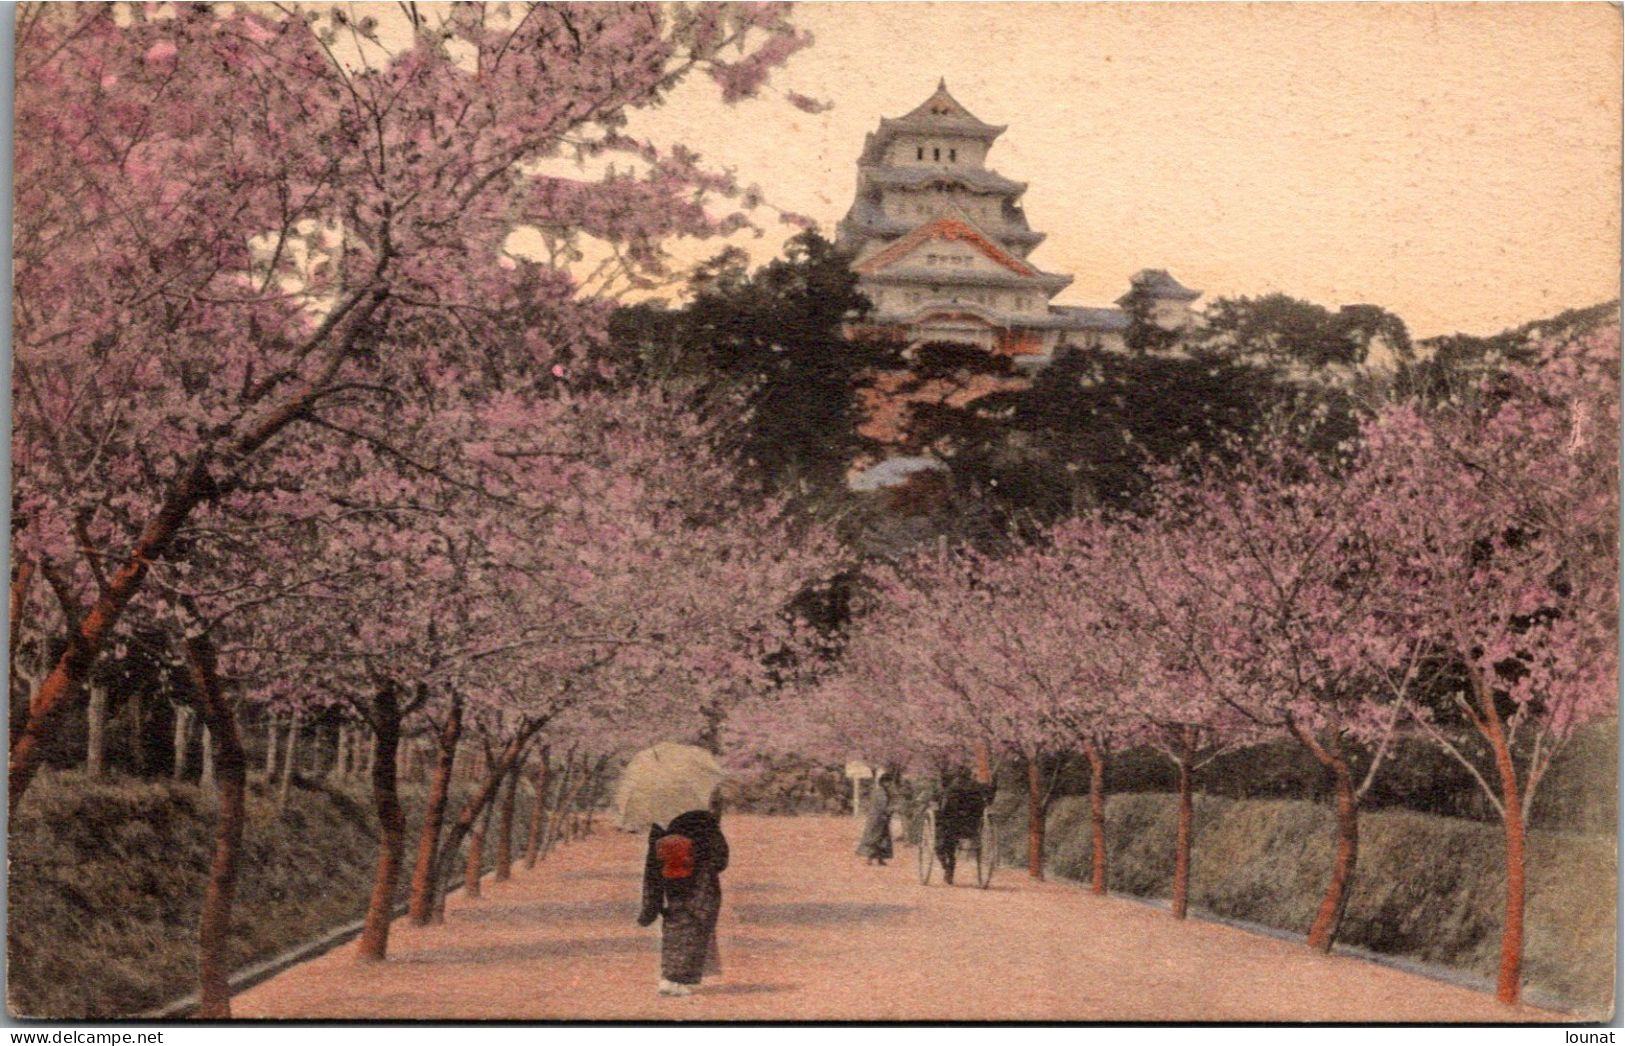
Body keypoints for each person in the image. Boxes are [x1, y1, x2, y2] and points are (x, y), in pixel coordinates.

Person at [637, 808, 729, 997]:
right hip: (701, 883)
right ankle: (681, 980)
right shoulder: (704, 820)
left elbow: (652, 864)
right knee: (696, 926)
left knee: (673, 924)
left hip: (671, 881)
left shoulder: (660, 822)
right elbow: (721, 859)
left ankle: (668, 978)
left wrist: (650, 904)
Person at [935, 769, 995, 885]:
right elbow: (987, 798)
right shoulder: (977, 787)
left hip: (951, 824)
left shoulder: (951, 789)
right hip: (972, 824)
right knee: (949, 846)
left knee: (942, 846)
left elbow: (945, 809)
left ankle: (948, 868)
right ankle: (949, 869)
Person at [855, 773, 895, 865]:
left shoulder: (882, 791)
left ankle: (880, 859)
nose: (889, 784)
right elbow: (881, 806)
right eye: (887, 782)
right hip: (878, 818)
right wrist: (887, 812)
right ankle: (870, 859)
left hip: (880, 818)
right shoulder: (880, 792)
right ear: (883, 782)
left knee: (881, 838)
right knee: (874, 838)